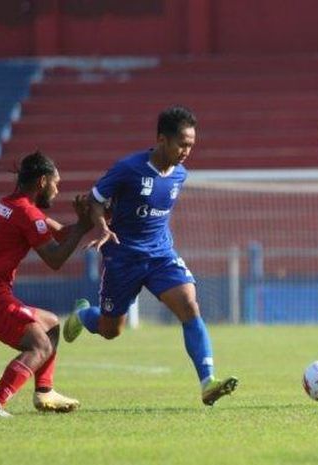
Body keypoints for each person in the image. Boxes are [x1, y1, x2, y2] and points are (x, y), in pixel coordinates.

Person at [63, 105, 238, 406]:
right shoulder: (128, 169)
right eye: (182, 144)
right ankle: (82, 314)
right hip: (123, 257)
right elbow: (94, 200)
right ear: (161, 140)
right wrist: (102, 226)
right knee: (110, 330)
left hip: (161, 254)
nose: (187, 151)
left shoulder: (180, 174)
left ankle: (208, 381)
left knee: (189, 305)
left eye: (191, 145)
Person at [0, 151, 93, 417]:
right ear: (42, 181)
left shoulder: (9, 203)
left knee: (51, 324)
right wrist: (82, 227)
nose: (58, 190)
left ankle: (45, 392)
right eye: (56, 183)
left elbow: (59, 231)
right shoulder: (27, 214)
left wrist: (88, 222)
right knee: (40, 346)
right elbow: (55, 259)